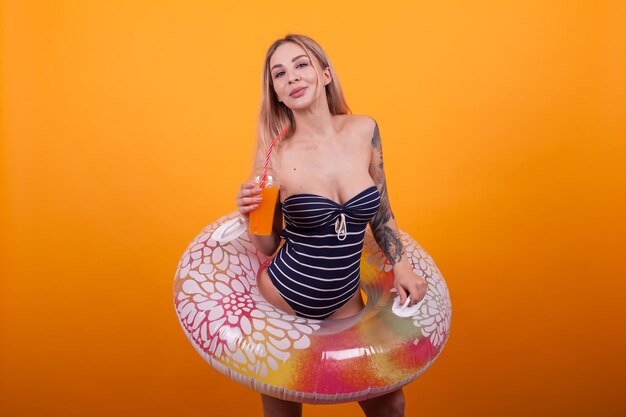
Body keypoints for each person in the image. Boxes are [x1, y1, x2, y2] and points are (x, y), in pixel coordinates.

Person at [235, 33, 427, 417]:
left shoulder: (364, 131)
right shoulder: (273, 154)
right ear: (276, 92)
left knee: (390, 403)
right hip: (283, 304)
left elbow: (382, 212)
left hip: (343, 303)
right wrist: (249, 215)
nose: (292, 77)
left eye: (301, 65)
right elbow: (268, 246)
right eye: (280, 74)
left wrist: (402, 266)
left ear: (324, 74)